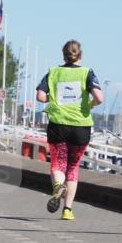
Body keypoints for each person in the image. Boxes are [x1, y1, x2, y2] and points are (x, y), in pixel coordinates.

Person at [36, 40, 103, 221]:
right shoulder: (87, 72)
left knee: (58, 163)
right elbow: (99, 97)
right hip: (81, 126)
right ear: (80, 55)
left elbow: (40, 96)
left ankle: (58, 185)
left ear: (63, 55)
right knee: (73, 166)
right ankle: (67, 210)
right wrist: (89, 104)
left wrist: (55, 97)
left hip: (58, 124)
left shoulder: (53, 72)